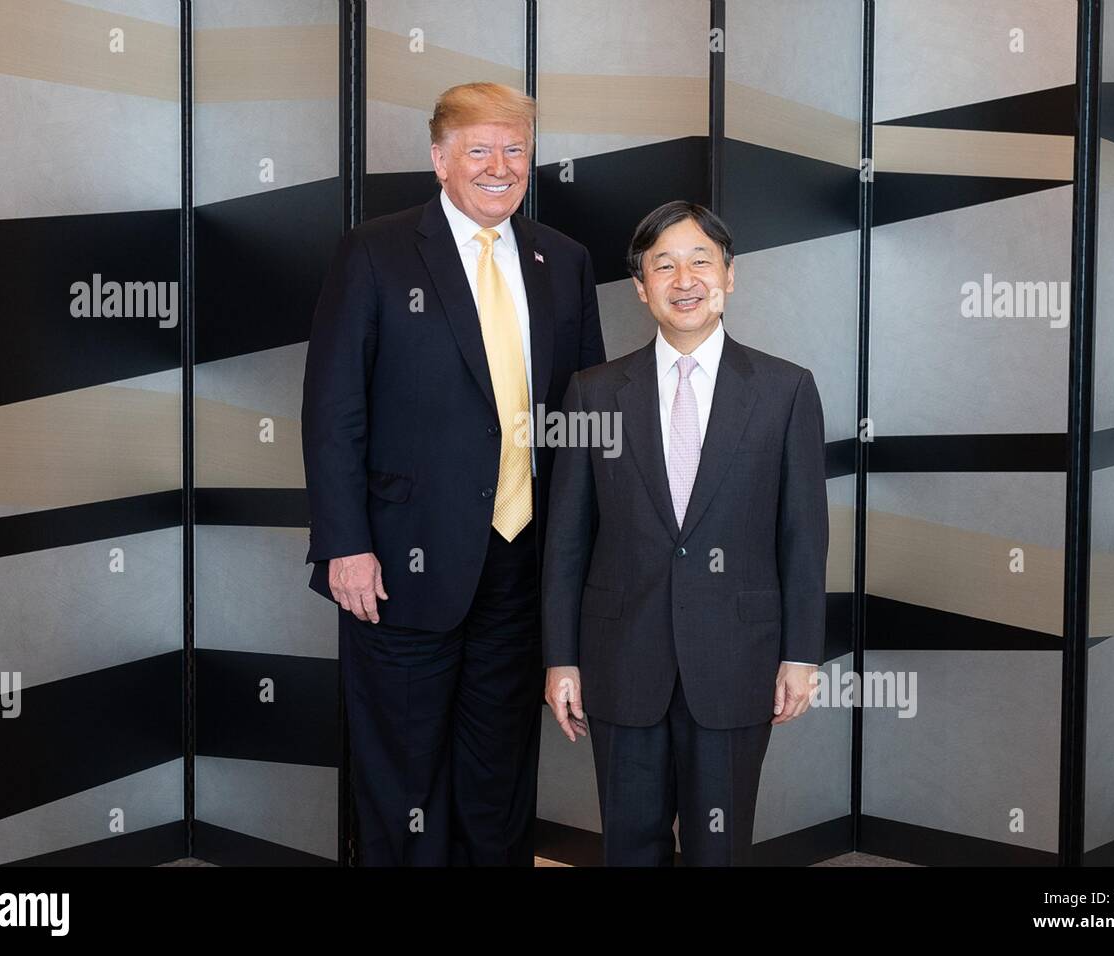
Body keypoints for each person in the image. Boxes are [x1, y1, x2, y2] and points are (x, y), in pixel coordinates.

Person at [301, 82, 605, 865]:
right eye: (479, 150)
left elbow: (584, 419)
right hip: (395, 564)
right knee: (401, 774)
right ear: (440, 160)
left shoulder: (563, 262)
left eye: (515, 150)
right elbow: (333, 407)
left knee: (499, 774)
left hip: (521, 563)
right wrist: (345, 544)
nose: (500, 167)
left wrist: (583, 563)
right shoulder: (376, 250)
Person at [541, 200, 828, 866]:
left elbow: (803, 535)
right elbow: (567, 540)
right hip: (619, 661)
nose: (684, 279)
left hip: (737, 661)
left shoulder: (786, 391)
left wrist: (801, 654)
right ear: (641, 288)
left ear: (731, 276)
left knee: (718, 850)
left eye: (701, 261)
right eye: (663, 265)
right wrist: (562, 657)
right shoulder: (593, 392)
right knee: (629, 847)